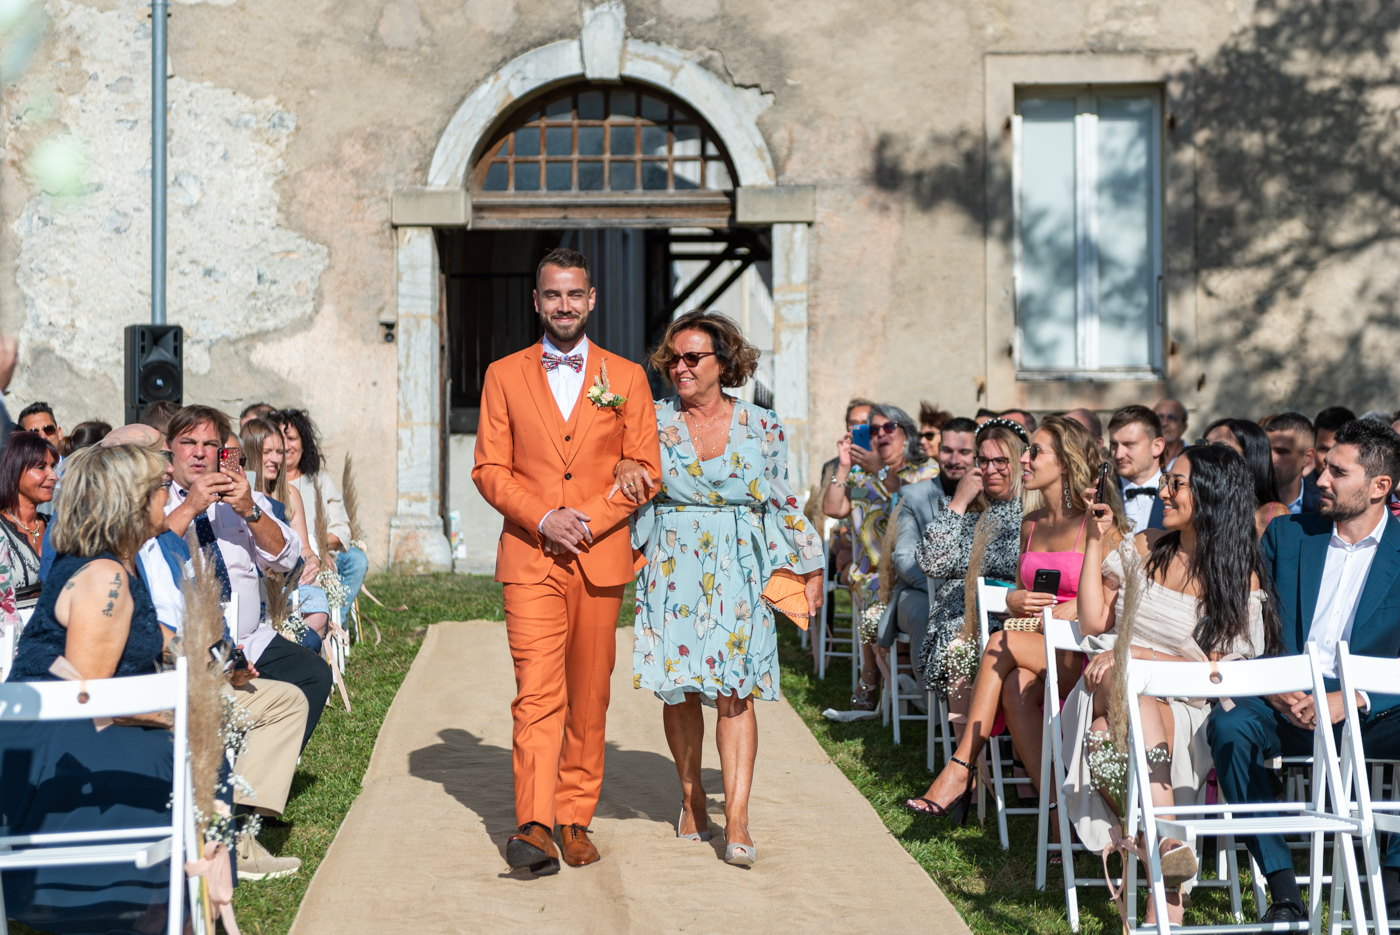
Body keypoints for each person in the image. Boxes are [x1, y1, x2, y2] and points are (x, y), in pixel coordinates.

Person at [472, 246, 662, 875]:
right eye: (552, 294)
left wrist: (587, 521)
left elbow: (647, 469)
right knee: (536, 692)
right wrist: (542, 517)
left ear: (591, 300)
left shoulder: (626, 377)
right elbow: (489, 469)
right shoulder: (503, 374)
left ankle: (574, 815)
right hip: (530, 556)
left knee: (589, 694)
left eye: (574, 294)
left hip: (599, 557)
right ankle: (533, 822)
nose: (563, 305)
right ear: (536, 301)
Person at [619, 310, 823, 866]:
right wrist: (622, 473)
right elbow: (624, 477)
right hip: (671, 563)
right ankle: (692, 798)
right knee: (680, 687)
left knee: (736, 689)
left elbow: (781, 498)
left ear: (725, 363)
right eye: (673, 359)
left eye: (693, 358)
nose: (680, 368)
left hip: (739, 565)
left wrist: (811, 565)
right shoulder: (650, 420)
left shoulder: (763, 425)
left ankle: (737, 818)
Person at [1064, 444, 1276, 925]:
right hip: (1106, 687)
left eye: (1176, 484)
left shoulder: (1237, 579)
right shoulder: (1145, 546)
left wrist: (1142, 655)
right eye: (1166, 481)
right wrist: (1095, 541)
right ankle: (1166, 841)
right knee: (1124, 681)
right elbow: (1094, 622)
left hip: (1184, 707)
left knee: (1104, 735)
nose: (1164, 491)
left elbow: (1223, 673)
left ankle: (1158, 868)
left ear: (1210, 494)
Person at [1208, 419, 1400, 925]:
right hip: (1286, 700)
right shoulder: (1288, 535)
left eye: (1338, 472)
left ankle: (1394, 888)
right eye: (1323, 467)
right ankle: (1283, 890)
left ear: (1380, 486)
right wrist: (1274, 686)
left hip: (1372, 711)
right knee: (1229, 726)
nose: (1321, 480)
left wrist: (1354, 698)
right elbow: (1249, 628)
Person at [102, 424, 307, 882]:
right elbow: (144, 640)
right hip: (151, 688)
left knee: (289, 698)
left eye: (210, 446)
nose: (169, 474)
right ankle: (222, 843)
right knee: (228, 709)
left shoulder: (159, 540)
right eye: (162, 461)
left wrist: (226, 662)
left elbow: (191, 617)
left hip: (201, 663)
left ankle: (242, 833)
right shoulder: (113, 550)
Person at [904, 416, 1128, 820]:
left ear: (1065, 463)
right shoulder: (1030, 524)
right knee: (1015, 685)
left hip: (1083, 649)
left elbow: (1115, 599)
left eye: (1034, 452)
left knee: (999, 642)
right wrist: (1014, 599)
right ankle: (1059, 813)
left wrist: (1075, 606)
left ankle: (960, 767)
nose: (1024, 459)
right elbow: (1017, 593)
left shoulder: (1098, 523)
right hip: (1038, 644)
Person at [0, 443, 176, 932]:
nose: (169, 494)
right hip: (55, 746)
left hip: (64, 727)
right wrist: (176, 713)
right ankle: (139, 906)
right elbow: (92, 697)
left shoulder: (111, 564)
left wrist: (210, 654)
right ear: (133, 500)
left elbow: (147, 631)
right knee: (170, 754)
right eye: (162, 486)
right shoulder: (104, 577)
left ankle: (156, 907)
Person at [164, 406, 331, 751]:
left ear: (221, 451)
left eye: (210, 444)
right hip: (192, 644)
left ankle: (265, 767)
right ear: (170, 448)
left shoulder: (240, 496)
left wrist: (249, 511)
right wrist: (190, 507)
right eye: (189, 442)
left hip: (249, 638)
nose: (199, 452)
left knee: (314, 674)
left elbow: (288, 558)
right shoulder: (158, 499)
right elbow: (148, 553)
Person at [822, 403, 939, 710]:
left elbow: (916, 499)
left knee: (876, 597)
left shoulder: (926, 471)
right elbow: (832, 508)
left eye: (890, 427)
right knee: (871, 589)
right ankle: (891, 678)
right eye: (874, 429)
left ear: (906, 434)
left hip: (915, 573)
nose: (881, 434)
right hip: (871, 575)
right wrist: (844, 466)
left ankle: (878, 677)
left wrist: (881, 471)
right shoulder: (861, 477)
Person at [916, 419, 1027, 700]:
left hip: (1017, 615)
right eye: (984, 461)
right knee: (960, 644)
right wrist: (959, 502)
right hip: (962, 613)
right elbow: (931, 564)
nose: (990, 470)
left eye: (1000, 461)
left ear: (1019, 461)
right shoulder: (962, 509)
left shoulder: (1034, 512)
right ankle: (964, 729)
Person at [268, 408, 369, 626]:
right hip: (282, 561)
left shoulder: (319, 481)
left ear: (304, 443)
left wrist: (316, 550)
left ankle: (335, 622)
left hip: (321, 556)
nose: (286, 446)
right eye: (280, 440)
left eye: (292, 439)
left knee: (357, 560)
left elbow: (341, 530)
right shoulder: (267, 485)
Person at [239, 420, 329, 648]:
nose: (275, 459)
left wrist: (313, 560)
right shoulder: (240, 497)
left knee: (318, 613)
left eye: (279, 452)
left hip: (289, 582)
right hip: (256, 586)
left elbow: (304, 548)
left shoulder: (290, 493)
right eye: (267, 451)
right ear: (251, 453)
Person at [0, 430, 58, 610]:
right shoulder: (2, 531)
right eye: (41, 467)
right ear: (15, 470)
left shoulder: (56, 526)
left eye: (53, 466)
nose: (54, 476)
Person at [1203, 418, 1291, 536]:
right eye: (1203, 445)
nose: (1205, 456)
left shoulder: (1272, 515)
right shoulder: (1193, 507)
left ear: (1251, 459)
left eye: (1220, 449)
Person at [1109, 405, 1166, 533]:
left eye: (1129, 444)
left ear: (1157, 446)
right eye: (1114, 445)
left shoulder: (1178, 493)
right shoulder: (1100, 494)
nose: (1118, 455)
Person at [1264, 412, 1318, 513]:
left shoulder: (1322, 505)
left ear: (1307, 457)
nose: (1270, 459)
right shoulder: (1246, 500)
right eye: (1265, 450)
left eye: (1282, 452)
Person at [936, 417, 978, 497]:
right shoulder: (913, 497)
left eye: (964, 452)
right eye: (947, 451)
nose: (954, 461)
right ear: (939, 449)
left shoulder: (992, 496)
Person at [1154, 398, 1189, 469]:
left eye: (1172, 418)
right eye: (1159, 417)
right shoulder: (1142, 455)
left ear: (1183, 427)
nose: (1164, 423)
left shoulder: (1193, 459)